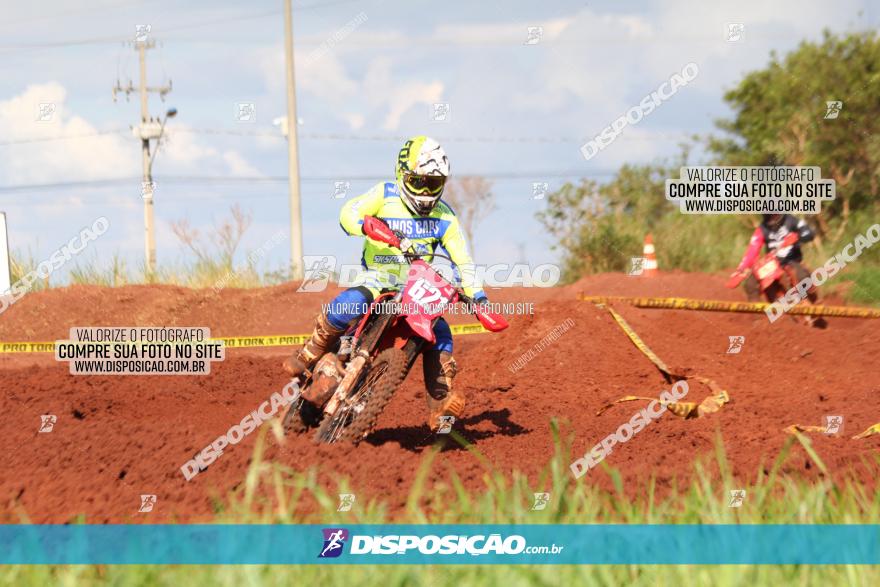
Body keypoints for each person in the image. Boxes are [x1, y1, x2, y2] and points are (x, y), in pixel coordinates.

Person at [283, 135, 489, 430]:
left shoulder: (445, 217)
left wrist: (478, 299)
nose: (427, 191)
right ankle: (311, 351)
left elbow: (463, 262)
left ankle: (439, 406)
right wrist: (368, 224)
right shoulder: (385, 194)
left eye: (434, 184)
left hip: (417, 289)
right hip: (379, 278)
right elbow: (348, 214)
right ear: (402, 174)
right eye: (419, 182)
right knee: (354, 301)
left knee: (440, 330)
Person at [730, 213, 822, 307]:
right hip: (773, 263)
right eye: (767, 215)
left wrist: (798, 236)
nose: (771, 218)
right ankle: (756, 314)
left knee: (801, 275)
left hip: (792, 260)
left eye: (773, 215)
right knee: (750, 282)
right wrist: (741, 270)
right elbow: (752, 250)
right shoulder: (762, 229)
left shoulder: (792, 220)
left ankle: (813, 300)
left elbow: (809, 233)